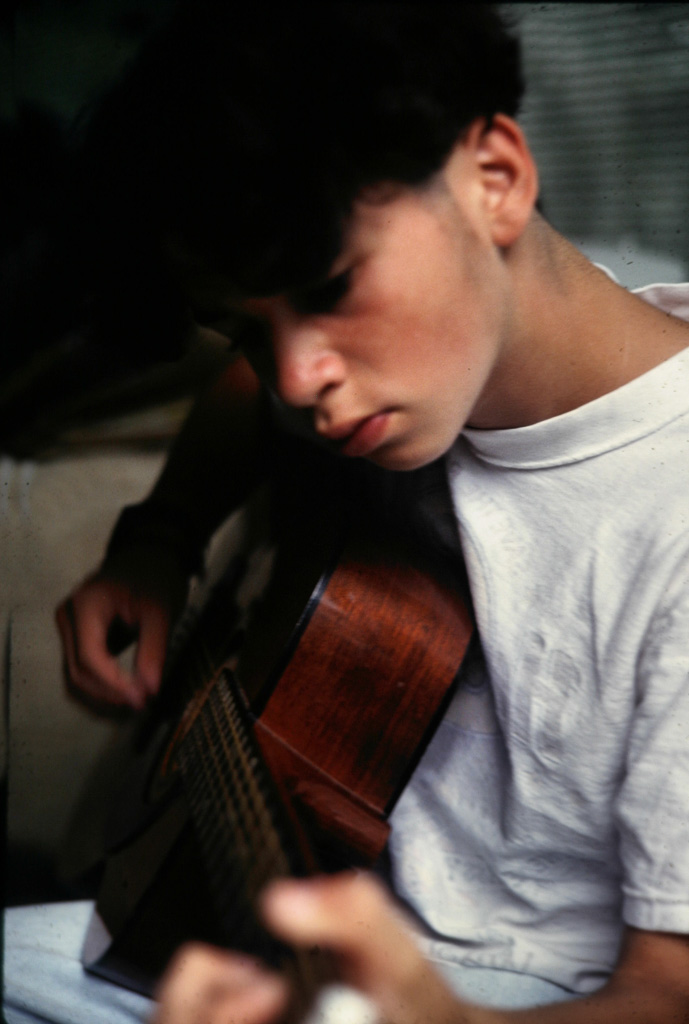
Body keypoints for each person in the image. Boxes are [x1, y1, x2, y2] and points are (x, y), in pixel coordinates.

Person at [15, 2, 689, 1022]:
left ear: (492, 180)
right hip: (301, 907)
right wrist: (157, 539)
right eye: (246, 331)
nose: (296, 378)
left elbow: (664, 992)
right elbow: (247, 403)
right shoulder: (410, 373)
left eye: (329, 288)